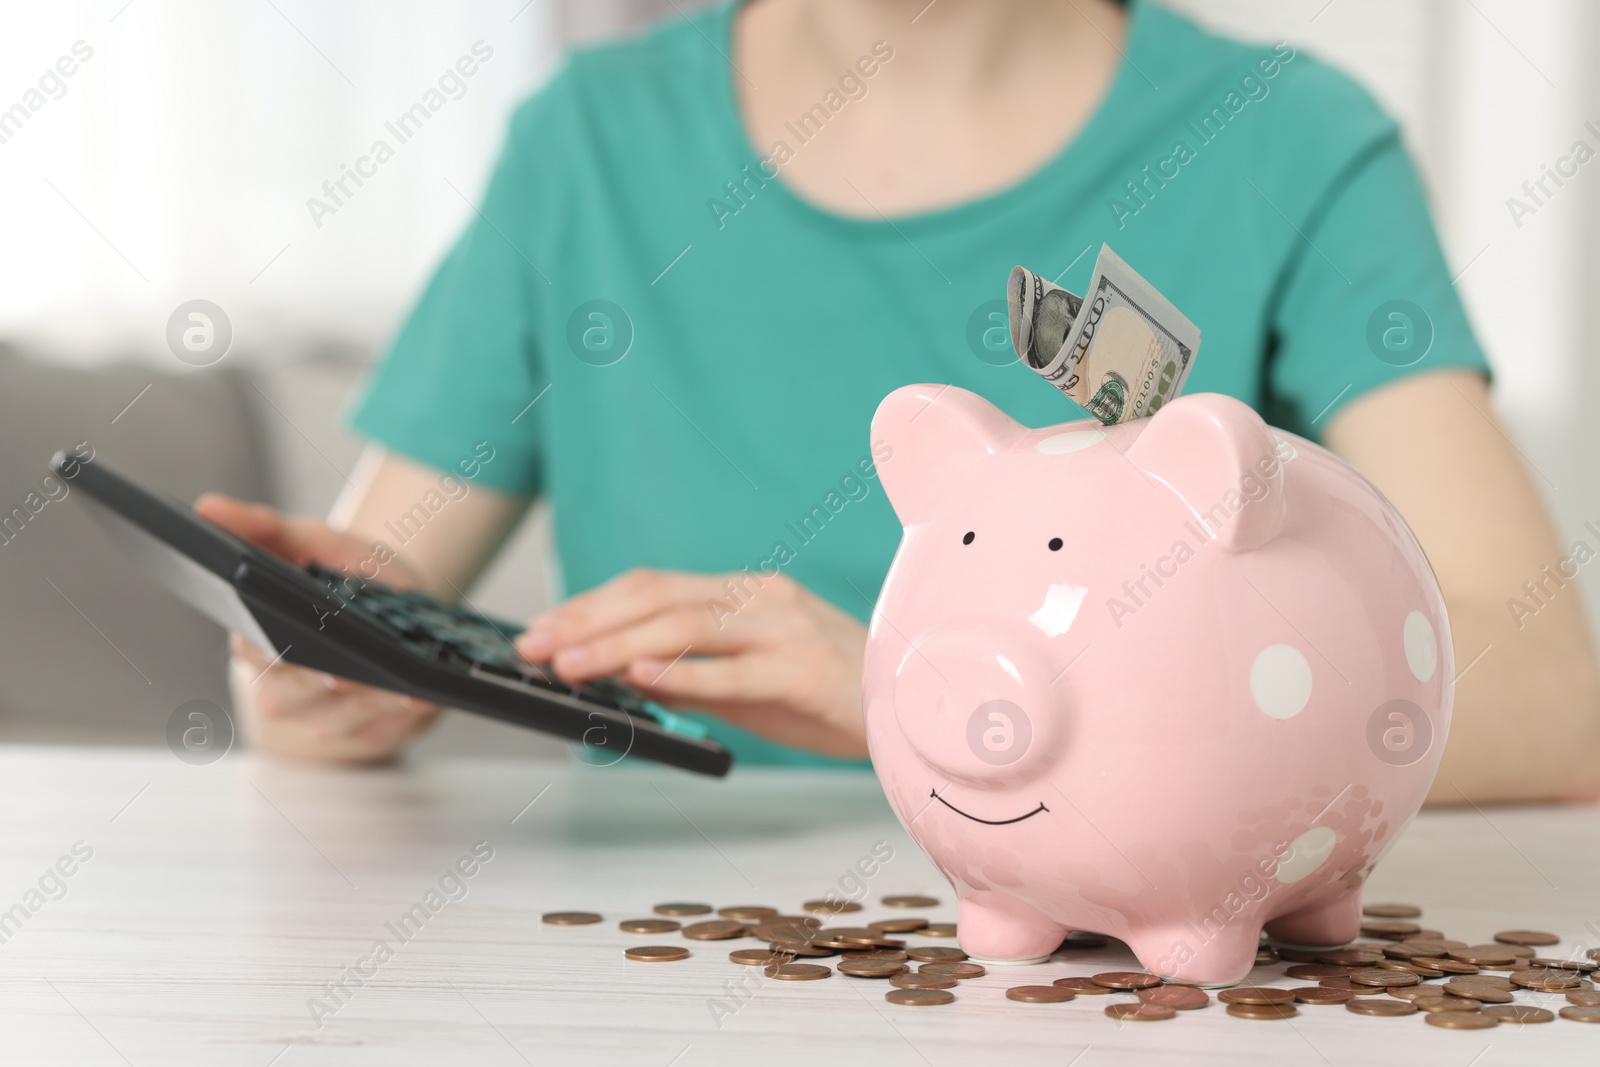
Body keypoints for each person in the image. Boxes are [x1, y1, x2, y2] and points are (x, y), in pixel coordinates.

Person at [197, 0, 1600, 804]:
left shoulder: (1289, 142)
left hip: (1115, 977)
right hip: (629, 978)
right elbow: (365, 601)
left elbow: (1553, 702)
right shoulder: (588, 140)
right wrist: (323, 670)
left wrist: (920, 700)